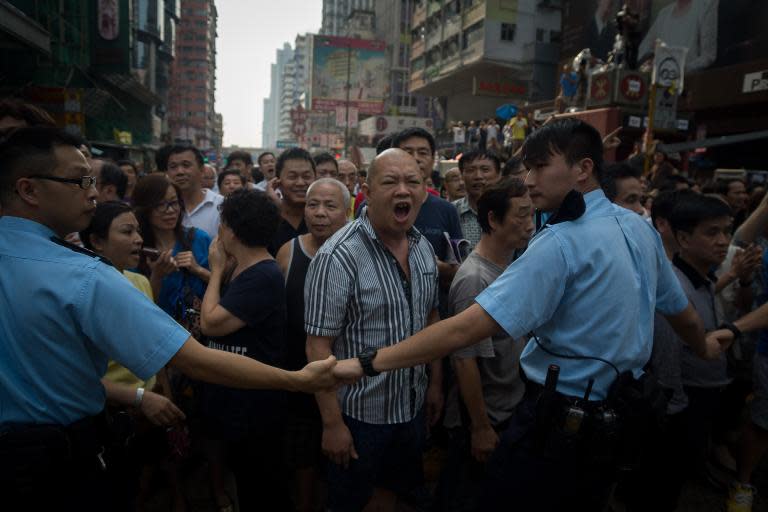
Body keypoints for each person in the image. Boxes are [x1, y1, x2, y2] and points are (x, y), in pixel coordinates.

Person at [333, 119, 725, 511]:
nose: (529, 179)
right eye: (527, 167)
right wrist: (703, 345)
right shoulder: (638, 229)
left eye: (539, 167)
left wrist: (367, 363)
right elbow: (683, 315)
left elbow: (464, 329)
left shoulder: (560, 242)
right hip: (618, 420)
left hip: (558, 425)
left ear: (583, 169)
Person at [0, 126, 339, 509]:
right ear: (29, 190)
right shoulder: (82, 276)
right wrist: (296, 380)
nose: (93, 192)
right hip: (57, 464)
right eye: (80, 181)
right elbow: (191, 355)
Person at [305, 149, 442, 511]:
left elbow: (431, 321)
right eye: (390, 182)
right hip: (359, 417)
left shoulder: (423, 248)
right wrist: (332, 424)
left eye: (413, 182)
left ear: (425, 191)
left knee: (396, 498)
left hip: (411, 408)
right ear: (366, 191)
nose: (403, 190)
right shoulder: (338, 256)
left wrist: (435, 383)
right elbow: (318, 348)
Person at [624, 193, 734, 511]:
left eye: (726, 231)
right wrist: (673, 406)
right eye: (712, 232)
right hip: (677, 404)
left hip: (695, 397)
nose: (723, 242)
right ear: (682, 238)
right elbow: (667, 359)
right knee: (659, 485)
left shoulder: (703, 278)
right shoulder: (674, 288)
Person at [79, 201, 187, 510]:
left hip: (148, 406)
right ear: (97, 241)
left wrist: (161, 390)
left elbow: (153, 348)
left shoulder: (139, 280)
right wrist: (139, 397)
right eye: (127, 231)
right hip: (108, 414)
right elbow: (78, 377)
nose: (139, 239)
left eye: (138, 230)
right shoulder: (83, 290)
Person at [437, 178, 534, 510]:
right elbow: (464, 359)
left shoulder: (511, 265)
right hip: (484, 419)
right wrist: (480, 426)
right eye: (521, 215)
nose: (530, 225)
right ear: (493, 219)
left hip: (509, 408)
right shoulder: (475, 278)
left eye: (532, 214)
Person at [199, 189, 292, 511]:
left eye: (221, 224)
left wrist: (214, 271)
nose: (217, 232)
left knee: (261, 489)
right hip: (237, 404)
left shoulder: (262, 275)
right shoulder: (243, 269)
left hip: (256, 409)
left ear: (233, 231)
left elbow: (210, 324)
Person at [276, 178, 350, 512]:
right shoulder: (288, 252)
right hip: (299, 376)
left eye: (330, 206)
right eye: (312, 205)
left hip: (349, 380)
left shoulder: (359, 253)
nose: (319, 213)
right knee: (302, 460)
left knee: (341, 463)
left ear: (347, 212)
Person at [392, 127, 463, 291]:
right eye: (408, 152)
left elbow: (459, 269)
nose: (416, 158)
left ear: (432, 161)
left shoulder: (447, 210)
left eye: (423, 152)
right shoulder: (373, 208)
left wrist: (438, 267)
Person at [133, 174, 211, 321]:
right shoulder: (135, 249)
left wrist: (198, 270)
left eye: (174, 203)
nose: (170, 210)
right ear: (144, 209)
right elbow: (138, 310)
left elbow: (224, 286)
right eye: (160, 205)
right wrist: (157, 277)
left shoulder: (198, 239)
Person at [165, 144, 223, 238]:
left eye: (186, 165)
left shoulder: (221, 206)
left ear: (202, 169)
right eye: (173, 167)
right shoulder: (161, 209)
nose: (180, 172)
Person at [268, 147, 316, 255]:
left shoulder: (322, 218)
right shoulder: (266, 220)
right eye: (292, 177)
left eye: (306, 176)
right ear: (277, 181)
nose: (300, 183)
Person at [454, 150, 503, 249]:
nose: (478, 176)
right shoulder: (451, 211)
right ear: (462, 175)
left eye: (485, 170)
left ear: (499, 174)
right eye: (471, 170)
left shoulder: (510, 210)